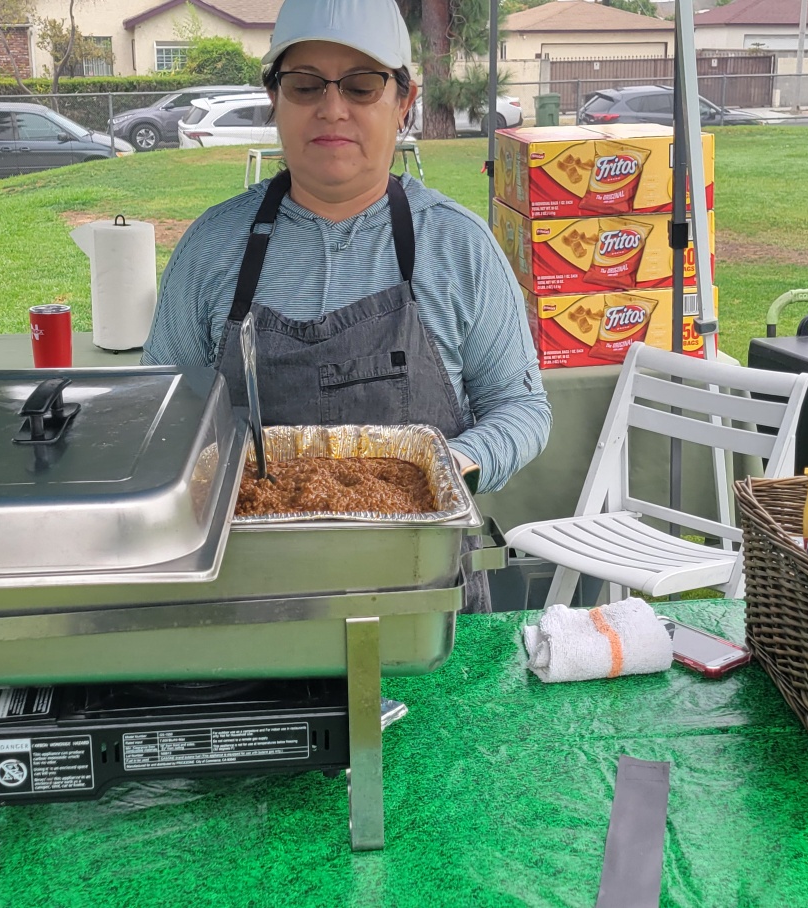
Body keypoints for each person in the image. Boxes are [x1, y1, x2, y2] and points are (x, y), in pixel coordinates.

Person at [144, 0, 550, 611]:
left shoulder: (459, 246)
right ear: (275, 100)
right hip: (247, 595)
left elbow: (521, 407)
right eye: (305, 85)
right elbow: (161, 410)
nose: (332, 108)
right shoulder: (211, 248)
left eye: (362, 86)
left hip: (422, 596)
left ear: (403, 104)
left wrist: (450, 465)